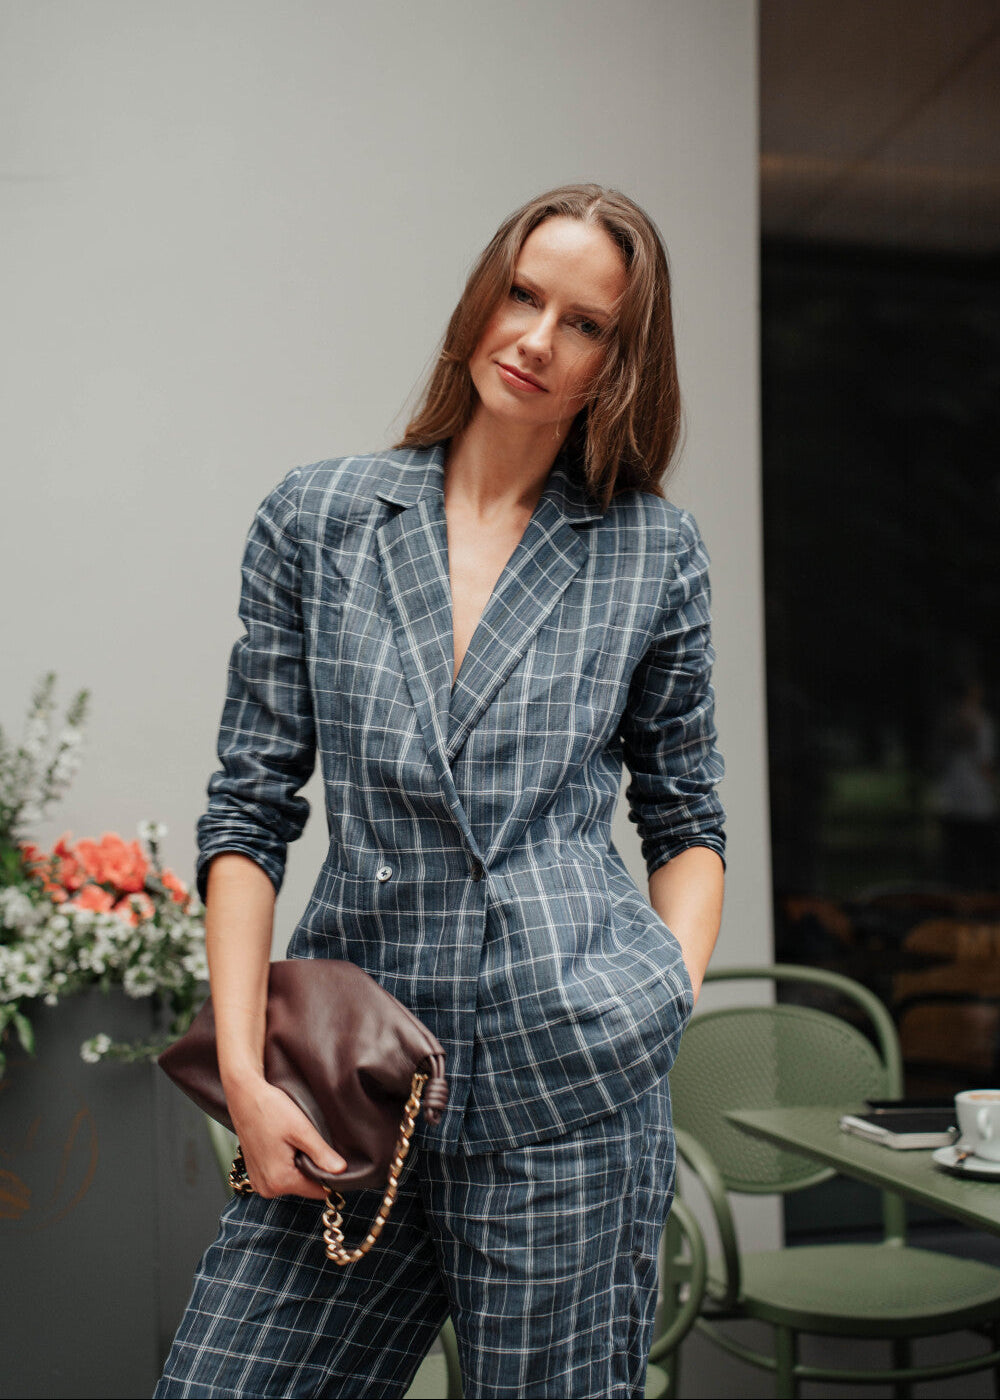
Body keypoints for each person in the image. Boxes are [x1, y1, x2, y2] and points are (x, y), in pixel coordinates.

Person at [155, 183, 726, 1400]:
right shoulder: (318, 517)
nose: (536, 338)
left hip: (567, 1076)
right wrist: (247, 1071)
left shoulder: (650, 550)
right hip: (355, 1070)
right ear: (481, 298)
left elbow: (685, 817)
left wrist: (659, 995)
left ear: (617, 362)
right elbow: (250, 810)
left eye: (584, 323)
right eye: (522, 295)